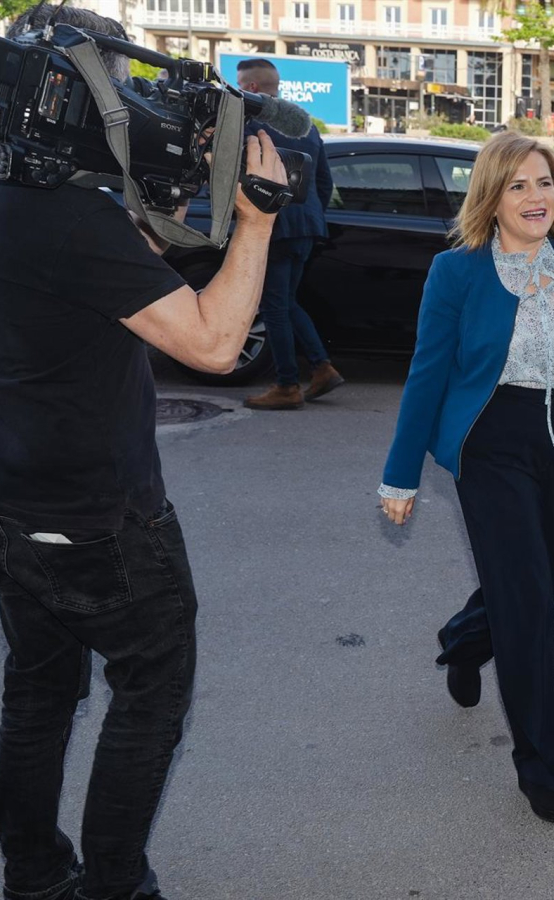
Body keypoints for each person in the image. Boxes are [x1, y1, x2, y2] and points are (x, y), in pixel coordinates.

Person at [0, 6, 289, 899]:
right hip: (103, 518)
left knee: (38, 692)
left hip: (16, 508)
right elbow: (213, 345)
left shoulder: (31, 210)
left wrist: (158, 196)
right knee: (151, 692)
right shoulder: (66, 222)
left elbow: (125, 270)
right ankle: (115, 885)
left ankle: (34, 877)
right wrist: (257, 220)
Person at [378, 132, 554, 823]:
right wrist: (400, 476)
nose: (537, 197)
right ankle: (546, 771)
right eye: (518, 185)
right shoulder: (457, 272)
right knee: (531, 608)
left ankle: (464, 640)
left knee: (540, 582)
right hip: (490, 447)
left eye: (545, 183)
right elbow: (427, 375)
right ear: (492, 197)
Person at [235, 58, 343, 410]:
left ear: (251, 88)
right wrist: (308, 216)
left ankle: (286, 385)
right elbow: (324, 181)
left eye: (239, 85)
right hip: (307, 227)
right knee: (287, 301)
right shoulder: (304, 124)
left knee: (274, 307)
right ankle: (322, 367)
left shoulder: (251, 124)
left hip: (274, 227)